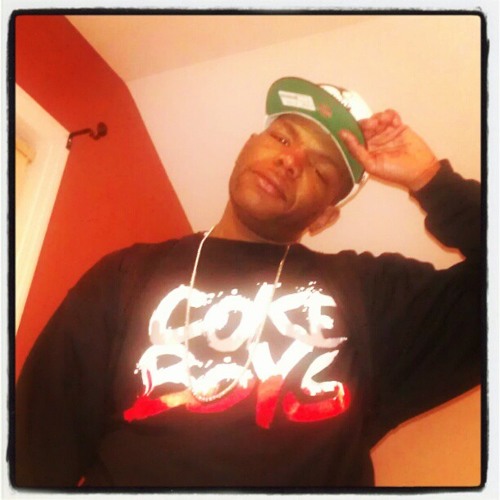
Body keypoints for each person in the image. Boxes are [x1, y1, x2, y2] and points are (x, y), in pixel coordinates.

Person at [15, 77, 481, 488]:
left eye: (320, 170)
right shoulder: (125, 275)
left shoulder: (370, 294)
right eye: (282, 136)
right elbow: (38, 443)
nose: (290, 159)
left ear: (325, 218)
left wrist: (431, 179)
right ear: (247, 145)